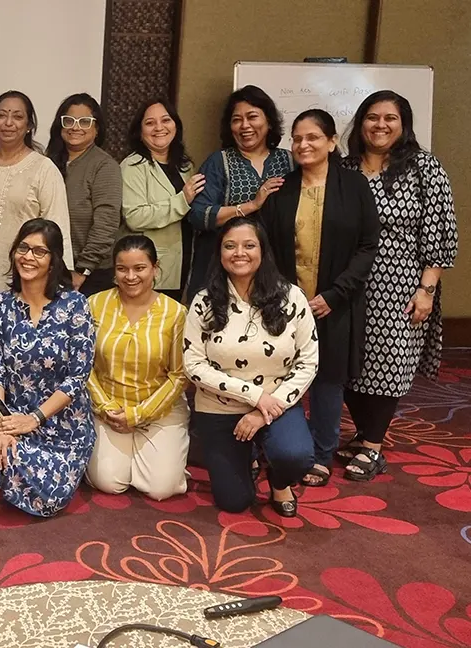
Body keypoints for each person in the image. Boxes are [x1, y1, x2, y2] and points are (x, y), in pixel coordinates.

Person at [336, 91, 458, 481]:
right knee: (347, 361)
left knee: (388, 362)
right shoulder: (345, 167)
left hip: (400, 281)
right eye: (372, 117)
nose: (380, 125)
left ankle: (372, 446)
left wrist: (427, 289)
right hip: (348, 280)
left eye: (390, 118)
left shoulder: (424, 167)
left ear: (403, 124)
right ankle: (364, 433)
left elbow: (440, 231)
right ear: (361, 123)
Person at [259, 109, 379, 487]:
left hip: (336, 301)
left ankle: (322, 453)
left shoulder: (354, 186)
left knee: (328, 378)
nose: (302, 145)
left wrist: (335, 294)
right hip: (286, 302)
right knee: (282, 373)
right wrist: (282, 294)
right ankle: (283, 445)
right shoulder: (281, 188)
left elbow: (367, 246)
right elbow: (266, 247)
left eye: (312, 137)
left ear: (331, 142)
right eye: (296, 138)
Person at [183, 217, 318, 517]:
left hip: (276, 404)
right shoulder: (204, 300)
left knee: (295, 456)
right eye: (230, 246)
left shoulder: (292, 296)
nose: (239, 253)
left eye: (249, 245)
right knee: (234, 502)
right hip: (219, 407)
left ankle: (279, 481)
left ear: (263, 251)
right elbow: (193, 365)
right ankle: (250, 456)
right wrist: (253, 396)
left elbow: (308, 361)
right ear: (219, 252)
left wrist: (264, 409)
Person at [0, 91, 72, 404]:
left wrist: (58, 281)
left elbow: (57, 229)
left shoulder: (43, 168)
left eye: (17, 116)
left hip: (22, 277)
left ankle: (11, 414)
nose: (8, 122)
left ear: (29, 124)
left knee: (14, 347)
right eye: (2, 115)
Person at [0, 219, 95, 517]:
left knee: (52, 499)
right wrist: (4, 425)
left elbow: (78, 377)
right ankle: (14, 473)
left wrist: (35, 419)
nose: (28, 257)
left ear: (53, 260)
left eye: (39, 251)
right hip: (12, 415)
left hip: (64, 422)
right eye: (23, 248)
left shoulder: (75, 305)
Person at [86, 235, 189, 500]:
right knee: (108, 482)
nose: (130, 277)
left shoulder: (175, 313)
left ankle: (159, 456)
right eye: (122, 269)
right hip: (108, 409)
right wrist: (106, 407)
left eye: (139, 268)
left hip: (160, 409)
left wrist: (139, 414)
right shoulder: (95, 304)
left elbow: (179, 375)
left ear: (155, 268)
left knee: (161, 488)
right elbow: (83, 365)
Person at [188, 85, 293, 302]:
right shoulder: (219, 162)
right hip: (224, 270)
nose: (245, 125)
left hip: (277, 268)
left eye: (252, 117)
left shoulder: (290, 161)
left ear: (269, 121)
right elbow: (198, 214)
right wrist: (251, 206)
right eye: (237, 120)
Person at [120, 99, 206, 303]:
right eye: (150, 123)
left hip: (185, 258)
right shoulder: (132, 166)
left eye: (166, 120)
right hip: (150, 265)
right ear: (140, 131)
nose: (159, 127)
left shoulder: (186, 166)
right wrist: (182, 200)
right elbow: (134, 217)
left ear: (176, 125)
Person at [46, 92, 121, 296]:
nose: (75, 127)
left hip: (88, 274)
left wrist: (82, 270)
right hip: (48, 267)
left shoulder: (105, 166)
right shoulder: (47, 162)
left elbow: (106, 222)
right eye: (69, 120)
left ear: (97, 129)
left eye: (85, 121)